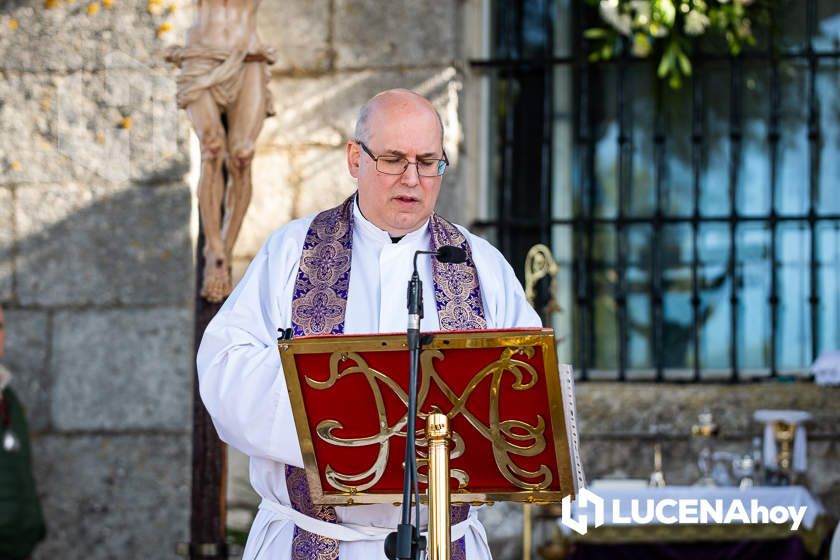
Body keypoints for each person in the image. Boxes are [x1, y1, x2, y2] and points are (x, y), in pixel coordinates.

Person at [197, 89, 541, 559]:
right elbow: (225, 370)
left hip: (443, 543)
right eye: (394, 159)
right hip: (312, 539)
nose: (412, 179)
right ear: (355, 158)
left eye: (427, 161)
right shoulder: (293, 253)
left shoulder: (481, 265)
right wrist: (347, 410)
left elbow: (528, 390)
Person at [166, 0, 275, 302]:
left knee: (242, 155)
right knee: (212, 148)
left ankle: (226, 249)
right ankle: (213, 248)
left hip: (248, 57)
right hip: (201, 56)